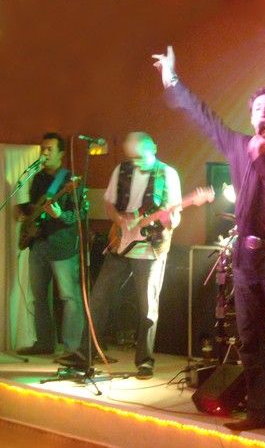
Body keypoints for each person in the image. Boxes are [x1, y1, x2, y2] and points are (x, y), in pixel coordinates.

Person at [152, 46, 265, 446]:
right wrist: (172, 80)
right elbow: (203, 116)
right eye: (258, 108)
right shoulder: (237, 144)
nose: (264, 114)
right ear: (251, 114)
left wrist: (263, 161)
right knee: (250, 338)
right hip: (245, 255)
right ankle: (259, 411)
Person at [59, 132, 181, 380]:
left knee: (147, 307)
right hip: (120, 244)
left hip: (150, 248)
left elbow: (175, 213)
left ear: (153, 148)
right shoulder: (122, 170)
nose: (136, 161)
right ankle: (85, 354)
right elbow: (109, 203)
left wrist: (169, 221)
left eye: (141, 156)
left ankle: (144, 361)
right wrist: (119, 220)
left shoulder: (167, 174)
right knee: (98, 299)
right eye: (133, 156)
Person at [17, 132, 85, 356]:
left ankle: (72, 349)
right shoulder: (37, 178)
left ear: (61, 153)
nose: (44, 153)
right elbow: (35, 209)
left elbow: (79, 214)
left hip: (62, 246)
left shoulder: (70, 180)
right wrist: (26, 217)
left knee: (69, 297)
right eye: (42, 149)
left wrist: (59, 215)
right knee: (39, 297)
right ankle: (44, 343)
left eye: (49, 149)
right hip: (38, 245)